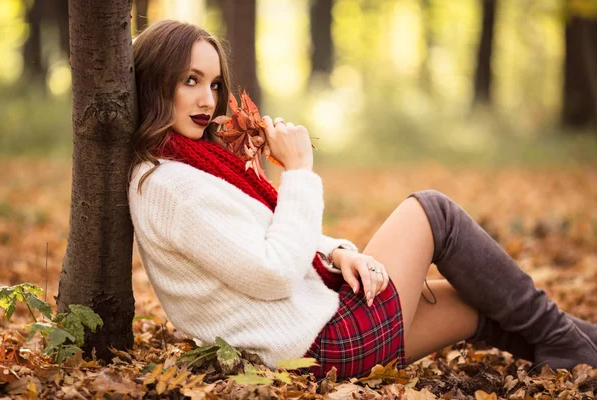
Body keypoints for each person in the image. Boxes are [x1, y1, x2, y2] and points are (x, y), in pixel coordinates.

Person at [128, 20, 597, 380]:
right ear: (154, 82)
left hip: (308, 340)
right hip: (317, 345)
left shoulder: (193, 166)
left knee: (476, 302)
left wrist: (336, 250)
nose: (207, 98)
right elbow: (272, 272)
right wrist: (299, 172)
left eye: (212, 83)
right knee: (434, 212)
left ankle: (579, 352)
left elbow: (262, 240)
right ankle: (566, 344)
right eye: (189, 79)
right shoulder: (171, 187)